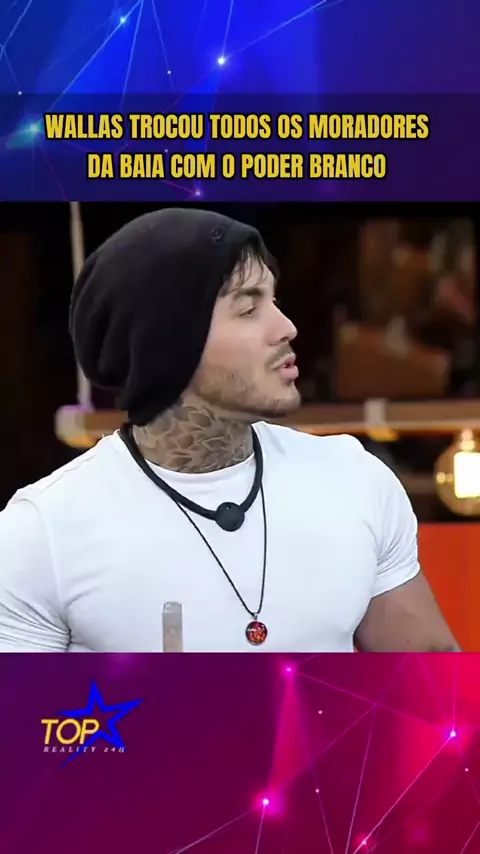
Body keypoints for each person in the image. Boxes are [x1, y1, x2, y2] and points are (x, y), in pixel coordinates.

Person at [0, 208, 459, 653]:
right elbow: (24, 709)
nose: (286, 327)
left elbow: (436, 692)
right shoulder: (42, 534)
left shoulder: (354, 479)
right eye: (248, 309)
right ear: (167, 341)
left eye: (274, 301)